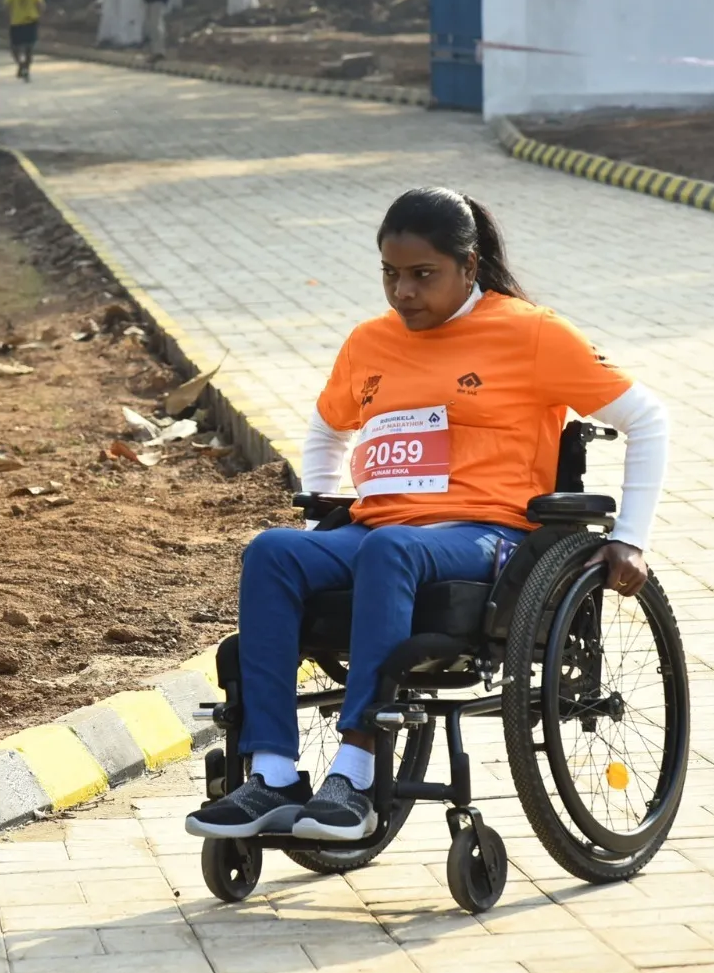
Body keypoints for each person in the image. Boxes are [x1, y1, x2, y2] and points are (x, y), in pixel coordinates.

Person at [185, 187, 669, 842]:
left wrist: (630, 539)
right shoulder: (370, 343)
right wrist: (321, 522)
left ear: (468, 267)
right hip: (381, 530)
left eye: (423, 275)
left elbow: (646, 417)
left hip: (487, 536)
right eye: (390, 274)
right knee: (273, 552)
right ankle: (271, 773)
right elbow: (327, 431)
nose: (404, 292)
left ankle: (354, 775)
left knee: (393, 550)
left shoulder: (530, 333)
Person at [4, 0, 45, 81]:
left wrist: (8, 18)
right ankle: (26, 68)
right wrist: (40, 17)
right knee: (29, 48)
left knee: (14, 48)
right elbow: (41, 5)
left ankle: (21, 64)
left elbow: (7, 7)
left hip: (16, 22)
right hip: (31, 21)